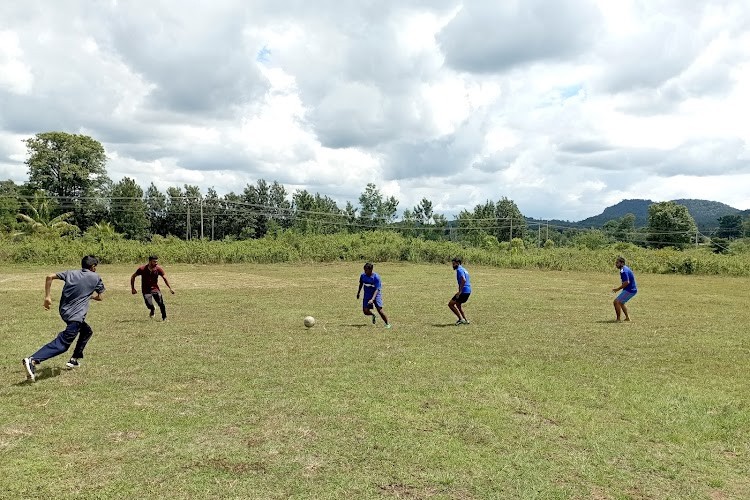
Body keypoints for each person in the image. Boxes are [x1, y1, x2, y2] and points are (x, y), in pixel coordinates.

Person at [22, 255, 106, 382]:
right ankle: (33, 360)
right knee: (62, 345)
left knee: (86, 331)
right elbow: (100, 297)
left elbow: (49, 276)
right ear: (93, 267)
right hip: (76, 317)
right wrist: (91, 297)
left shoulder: (70, 273)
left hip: (64, 312)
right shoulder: (96, 277)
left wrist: (47, 297)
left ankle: (74, 359)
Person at [131, 255, 174, 321]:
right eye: (154, 261)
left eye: (156, 261)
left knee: (161, 303)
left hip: (155, 289)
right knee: (149, 304)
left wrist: (170, 288)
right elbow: (133, 277)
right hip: (146, 290)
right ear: (150, 261)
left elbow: (164, 277)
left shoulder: (158, 269)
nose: (156, 263)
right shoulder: (142, 269)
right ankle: (152, 309)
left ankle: (164, 318)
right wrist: (133, 288)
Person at [356, 262, 391, 329]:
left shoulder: (376, 277)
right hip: (367, 294)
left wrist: (372, 299)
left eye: (366, 270)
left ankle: (387, 324)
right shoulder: (363, 276)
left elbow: (377, 289)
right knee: (365, 311)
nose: (365, 271)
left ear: (371, 270)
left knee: (379, 310)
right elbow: (361, 284)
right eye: (364, 270)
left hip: (376, 294)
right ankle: (373, 315)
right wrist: (358, 292)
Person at [612, 256, 637, 322]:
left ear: (622, 263)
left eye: (617, 263)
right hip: (629, 289)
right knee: (621, 302)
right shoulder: (624, 269)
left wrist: (617, 289)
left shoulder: (624, 271)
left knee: (616, 302)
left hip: (630, 290)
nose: (616, 264)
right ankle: (627, 318)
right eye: (616, 263)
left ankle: (618, 319)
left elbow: (626, 282)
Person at [449, 257, 471, 325]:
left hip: (463, 291)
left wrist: (460, 291)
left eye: (454, 264)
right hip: (468, 291)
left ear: (458, 263)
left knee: (450, 304)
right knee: (458, 305)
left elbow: (463, 280)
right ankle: (465, 320)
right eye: (452, 264)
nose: (453, 265)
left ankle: (461, 319)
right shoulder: (464, 269)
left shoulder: (459, 270)